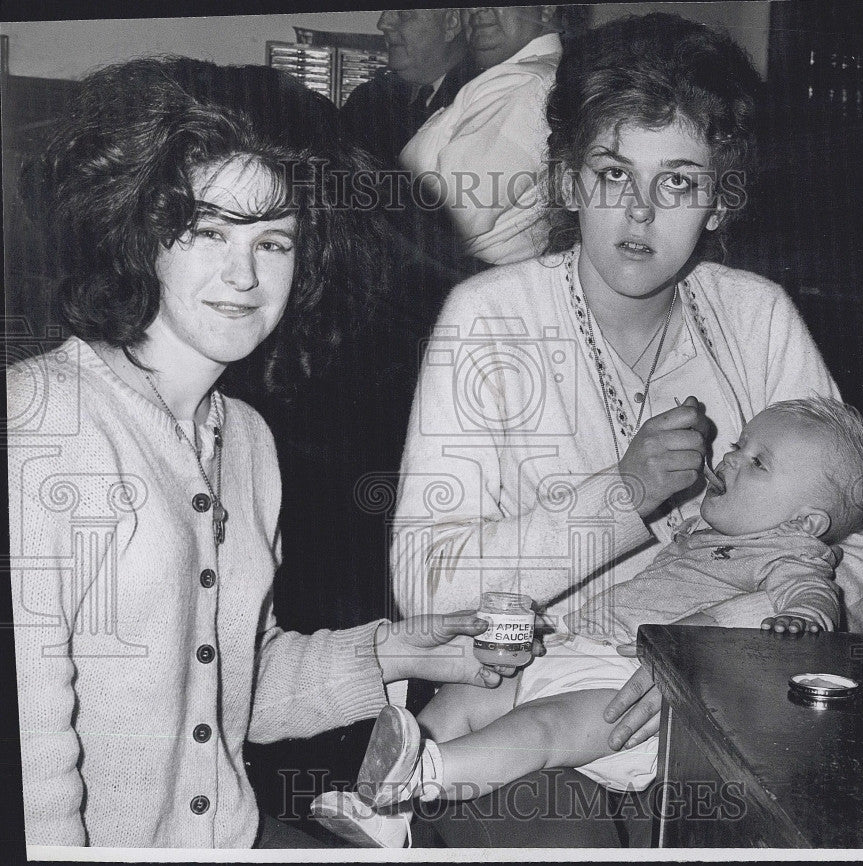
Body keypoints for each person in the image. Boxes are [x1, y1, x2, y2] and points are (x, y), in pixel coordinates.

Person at [390, 12, 863, 846]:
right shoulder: (490, 318)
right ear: (564, 181)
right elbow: (425, 584)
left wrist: (716, 660)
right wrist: (620, 496)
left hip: (720, 703)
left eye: (678, 182)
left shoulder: (754, 316)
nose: (639, 211)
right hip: (514, 707)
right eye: (611, 172)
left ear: (718, 201)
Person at [6, 57, 517, 850]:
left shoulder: (243, 438)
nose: (244, 273)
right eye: (206, 230)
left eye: (273, 240)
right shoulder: (38, 425)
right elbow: (31, 752)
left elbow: (235, 683)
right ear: (136, 231)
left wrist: (392, 649)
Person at [313, 397, 863, 847]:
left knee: (539, 730)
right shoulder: (706, 534)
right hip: (584, 651)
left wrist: (801, 619)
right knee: (467, 695)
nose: (732, 458)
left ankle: (423, 775)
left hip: (630, 696)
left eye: (757, 462)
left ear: (806, 523)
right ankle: (388, 811)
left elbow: (817, 605)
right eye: (739, 445)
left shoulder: (791, 556)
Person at [399, 6, 564, 265]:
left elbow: (446, 214)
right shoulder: (515, 78)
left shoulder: (526, 87)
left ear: (546, 9)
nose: (475, 9)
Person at [339, 9, 478, 169]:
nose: (382, 24)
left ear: (451, 23)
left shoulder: (483, 105)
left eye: (403, 13)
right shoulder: (366, 101)